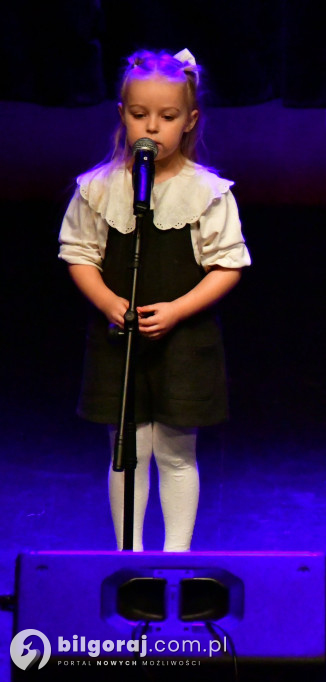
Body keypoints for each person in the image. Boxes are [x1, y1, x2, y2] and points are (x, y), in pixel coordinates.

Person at [59, 49, 251, 551]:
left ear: (190, 121)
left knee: (175, 451)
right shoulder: (99, 188)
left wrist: (178, 310)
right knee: (128, 450)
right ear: (121, 115)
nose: (152, 127)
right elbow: (79, 253)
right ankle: (130, 558)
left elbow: (228, 263)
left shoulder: (207, 192)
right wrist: (106, 302)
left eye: (167, 117)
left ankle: (175, 559)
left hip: (183, 342)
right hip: (119, 339)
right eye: (139, 114)